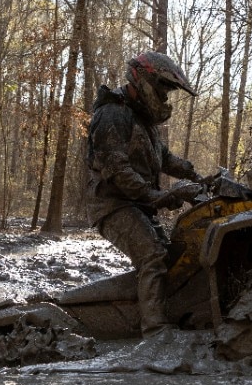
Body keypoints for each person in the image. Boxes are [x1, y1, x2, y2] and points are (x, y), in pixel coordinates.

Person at [87, 51, 203, 336]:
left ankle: (161, 313)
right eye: (163, 88)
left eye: (169, 90)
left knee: (171, 256)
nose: (165, 97)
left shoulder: (144, 120)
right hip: (112, 205)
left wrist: (197, 176)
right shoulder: (112, 114)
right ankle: (155, 331)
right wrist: (156, 196)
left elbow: (165, 158)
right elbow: (118, 171)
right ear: (144, 79)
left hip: (138, 203)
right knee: (151, 255)